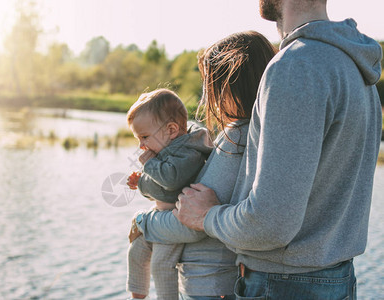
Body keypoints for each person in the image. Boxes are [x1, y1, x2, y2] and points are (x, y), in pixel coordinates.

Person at [174, 0, 383, 299]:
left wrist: (207, 216)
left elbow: (270, 225)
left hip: (285, 285)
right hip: (336, 281)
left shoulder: (296, 66)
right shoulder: (356, 67)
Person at [132, 31, 277, 299]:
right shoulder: (261, 133)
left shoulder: (237, 138)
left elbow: (190, 222)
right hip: (219, 282)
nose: (208, 96)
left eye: (212, 85)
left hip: (208, 285)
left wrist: (144, 221)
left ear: (232, 85)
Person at [125, 88, 213, 300]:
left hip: (178, 221)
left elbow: (171, 180)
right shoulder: (168, 149)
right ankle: (137, 297)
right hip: (163, 216)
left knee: (161, 264)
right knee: (136, 251)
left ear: (172, 129)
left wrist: (150, 165)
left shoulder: (188, 153)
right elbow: (159, 189)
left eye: (144, 137)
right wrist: (142, 182)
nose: (141, 145)